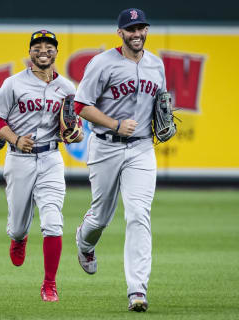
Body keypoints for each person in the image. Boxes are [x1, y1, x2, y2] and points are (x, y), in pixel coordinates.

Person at [73, 8, 166, 312]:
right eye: (131, 29)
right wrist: (114, 123)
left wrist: (163, 120)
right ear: (120, 33)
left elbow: (160, 103)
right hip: (105, 146)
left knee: (139, 214)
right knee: (100, 217)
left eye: (141, 28)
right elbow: (81, 105)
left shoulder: (156, 64)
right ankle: (85, 243)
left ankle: (137, 290)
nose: (137, 34)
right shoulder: (102, 63)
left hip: (141, 148)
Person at [0, 30, 83, 302]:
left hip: (51, 158)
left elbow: (71, 126)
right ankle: (18, 238)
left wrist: (75, 134)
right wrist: (16, 139)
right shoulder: (13, 84)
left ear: (56, 51)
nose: (44, 50)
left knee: (53, 222)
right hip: (19, 159)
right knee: (19, 226)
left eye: (49, 46)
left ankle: (49, 284)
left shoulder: (66, 87)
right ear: (30, 52)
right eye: (38, 46)